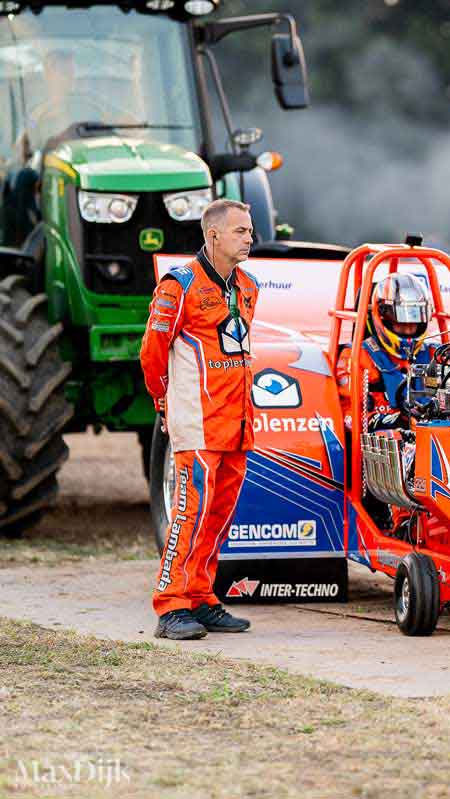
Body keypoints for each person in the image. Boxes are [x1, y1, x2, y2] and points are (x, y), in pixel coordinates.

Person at [139, 199, 260, 640]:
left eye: (249, 231)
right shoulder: (179, 285)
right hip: (198, 420)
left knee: (219, 514)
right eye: (240, 231)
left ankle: (201, 596)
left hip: (239, 421)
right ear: (213, 236)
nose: (249, 238)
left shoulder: (247, 285)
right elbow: (153, 352)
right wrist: (163, 400)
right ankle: (170, 605)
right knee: (190, 512)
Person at [335, 272, 432, 430]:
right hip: (385, 445)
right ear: (384, 318)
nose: (408, 329)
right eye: (401, 324)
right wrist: (393, 421)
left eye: (413, 323)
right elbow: (348, 419)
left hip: (438, 436)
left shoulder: (435, 354)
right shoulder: (357, 357)